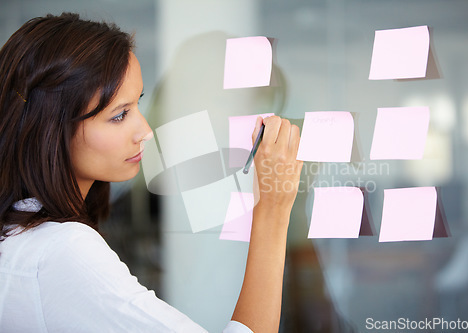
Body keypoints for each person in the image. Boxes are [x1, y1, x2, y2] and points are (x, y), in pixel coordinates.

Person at [0, 13, 303, 332]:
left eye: (137, 104)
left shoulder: (19, 234)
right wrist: (274, 207)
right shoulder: (65, 251)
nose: (145, 130)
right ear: (50, 128)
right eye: (119, 116)